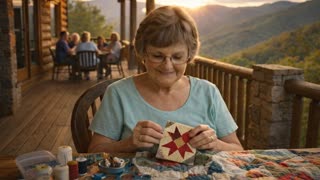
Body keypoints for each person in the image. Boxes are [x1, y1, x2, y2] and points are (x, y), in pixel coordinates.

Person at [88, 6, 243, 153]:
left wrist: (214, 143)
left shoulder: (209, 92)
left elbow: (238, 150)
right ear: (143, 53)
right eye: (157, 56)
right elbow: (93, 152)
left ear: (189, 55)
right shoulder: (118, 93)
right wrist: (128, 144)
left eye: (177, 57)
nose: (167, 66)